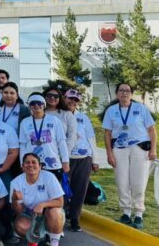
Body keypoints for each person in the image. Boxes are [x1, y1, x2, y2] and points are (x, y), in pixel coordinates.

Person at [102, 82, 157, 229]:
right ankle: (126, 212)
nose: (124, 93)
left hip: (139, 148)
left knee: (139, 182)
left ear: (132, 94)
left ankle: (138, 214)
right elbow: (107, 133)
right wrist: (109, 153)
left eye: (127, 90)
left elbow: (151, 130)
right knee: (122, 182)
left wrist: (153, 149)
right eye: (121, 90)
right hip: (119, 149)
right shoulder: (111, 111)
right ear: (117, 93)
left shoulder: (141, 108)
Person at [10, 153, 65, 246]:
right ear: (22, 166)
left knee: (55, 212)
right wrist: (14, 200)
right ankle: (38, 238)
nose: (30, 165)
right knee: (20, 225)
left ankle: (54, 241)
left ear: (40, 166)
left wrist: (42, 205)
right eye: (27, 162)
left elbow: (60, 202)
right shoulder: (16, 182)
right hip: (30, 214)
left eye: (34, 162)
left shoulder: (49, 177)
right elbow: (19, 212)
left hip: (48, 213)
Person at [65, 89, 98, 232]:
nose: (72, 102)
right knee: (62, 189)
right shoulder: (59, 115)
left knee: (80, 189)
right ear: (64, 98)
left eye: (76, 100)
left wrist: (95, 160)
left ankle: (75, 218)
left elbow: (91, 138)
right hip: (66, 158)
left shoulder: (83, 117)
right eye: (70, 98)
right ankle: (61, 216)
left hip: (84, 158)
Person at [19, 94, 70, 183]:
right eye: (32, 103)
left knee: (53, 190)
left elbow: (61, 142)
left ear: (44, 105)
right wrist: (22, 163)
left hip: (53, 164)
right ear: (29, 106)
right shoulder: (25, 122)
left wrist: (65, 161)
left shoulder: (54, 120)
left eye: (39, 103)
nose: (36, 105)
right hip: (32, 165)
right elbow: (23, 145)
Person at [44, 86, 78, 155]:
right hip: (41, 153)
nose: (52, 98)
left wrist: (64, 154)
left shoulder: (67, 114)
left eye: (56, 96)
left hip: (60, 154)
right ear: (44, 97)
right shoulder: (38, 113)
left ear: (60, 98)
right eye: (49, 95)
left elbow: (72, 136)